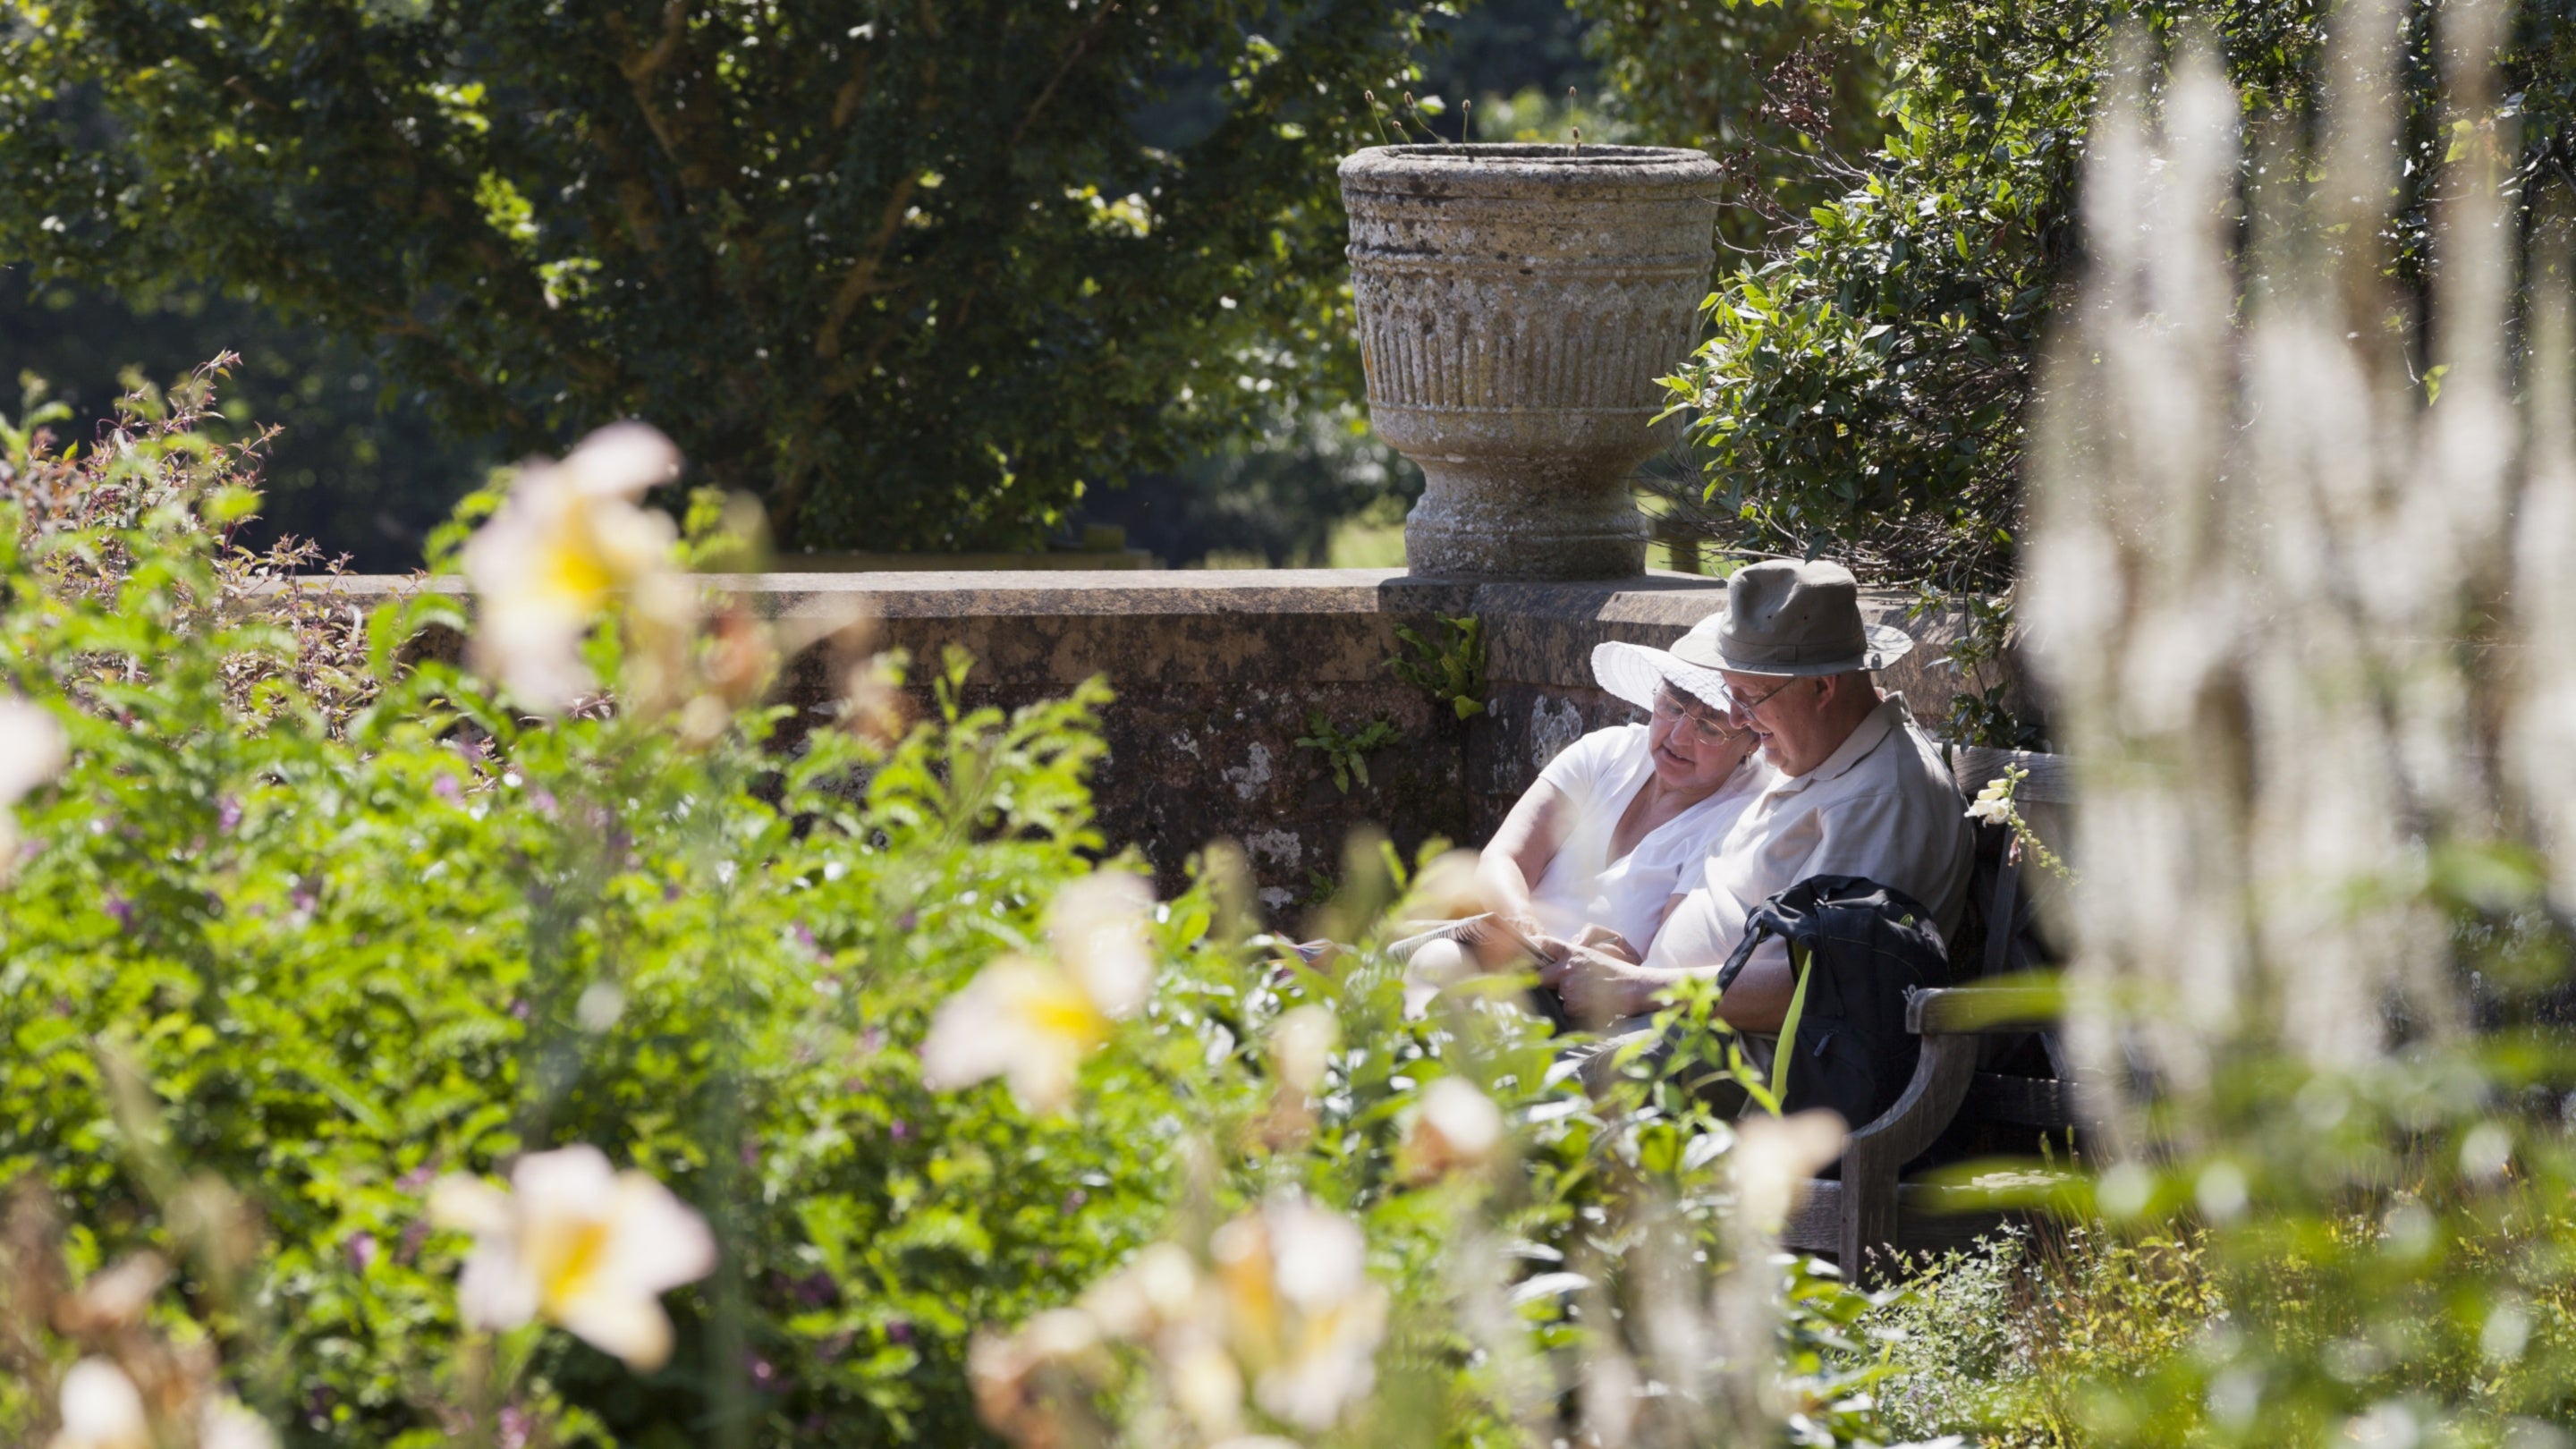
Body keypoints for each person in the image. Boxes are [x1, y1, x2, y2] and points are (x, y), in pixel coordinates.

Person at [1538, 559, 1974, 1030]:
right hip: (1671, 1018)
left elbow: (1823, 987)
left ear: (1823, 687)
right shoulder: (1822, 749)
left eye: (1748, 697)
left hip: (1738, 1058)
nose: (1738, 719)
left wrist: (1635, 986)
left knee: (1500, 1067)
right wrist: (1636, 962)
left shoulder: (1883, 799)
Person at [1405, 613, 1773, 1002]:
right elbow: (1503, 858)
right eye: (1672, 705)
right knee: (1435, 962)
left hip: (1585, 1008)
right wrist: (1526, 930)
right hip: (1506, 962)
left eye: (1710, 727)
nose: (1679, 736)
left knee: (1436, 975)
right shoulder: (1609, 752)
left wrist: (1615, 959)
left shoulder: (1738, 822)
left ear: (1752, 742)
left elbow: (1669, 960)